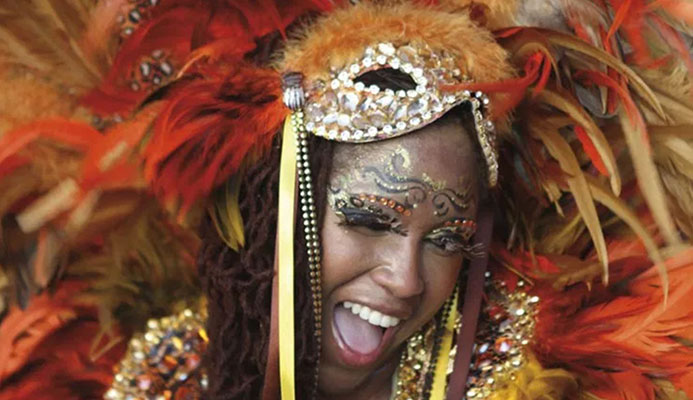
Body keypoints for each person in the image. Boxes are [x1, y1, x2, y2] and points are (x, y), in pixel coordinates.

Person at [0, 1, 692, 400]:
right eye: (367, 219)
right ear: (266, 209)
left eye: (447, 238)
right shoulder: (163, 369)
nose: (405, 278)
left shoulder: (524, 379)